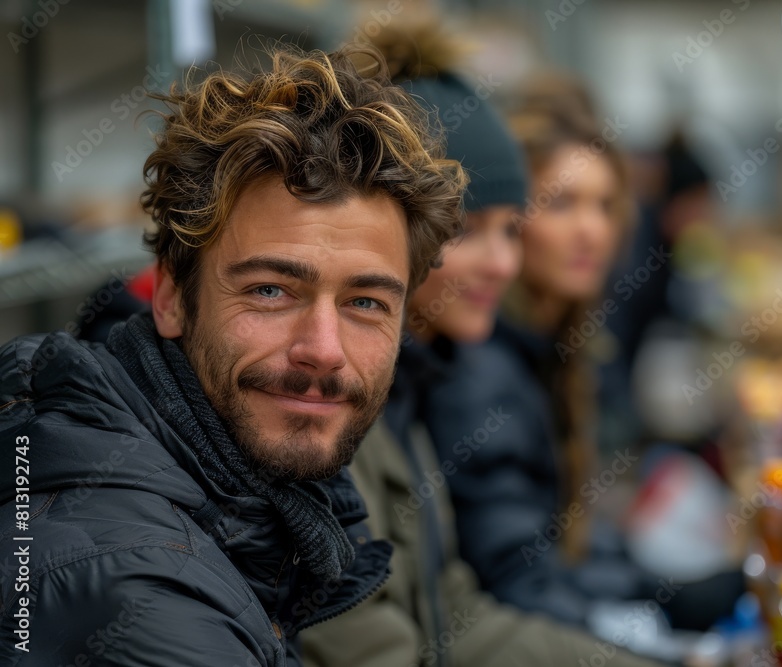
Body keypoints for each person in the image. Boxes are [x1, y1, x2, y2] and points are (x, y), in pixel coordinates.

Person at [0, 44, 466, 666]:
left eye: (365, 303)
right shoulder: (139, 597)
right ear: (170, 296)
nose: (323, 351)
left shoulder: (239, 505)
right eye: (270, 291)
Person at [300, 24, 661, 667]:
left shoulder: (410, 395)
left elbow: (457, 616)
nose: (502, 263)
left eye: (511, 230)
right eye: (466, 230)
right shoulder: (331, 411)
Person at [420, 77, 664, 627]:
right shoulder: (480, 364)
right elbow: (515, 581)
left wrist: (655, 588)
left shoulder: (551, 346)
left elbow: (557, 547)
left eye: (604, 205)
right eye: (561, 204)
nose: (590, 231)